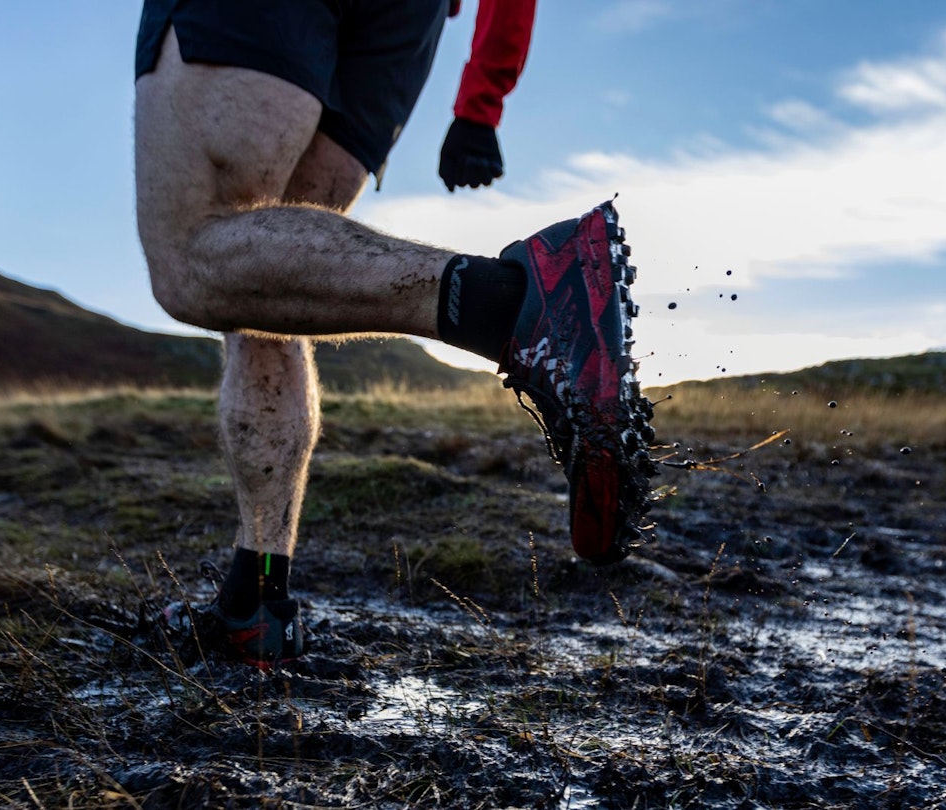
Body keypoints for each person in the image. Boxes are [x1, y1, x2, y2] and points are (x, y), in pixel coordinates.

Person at [133, 0, 655, 669]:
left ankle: (514, 307)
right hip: (406, 20)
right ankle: (254, 601)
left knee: (191, 254)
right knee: (271, 286)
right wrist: (479, 105)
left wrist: (482, 103)